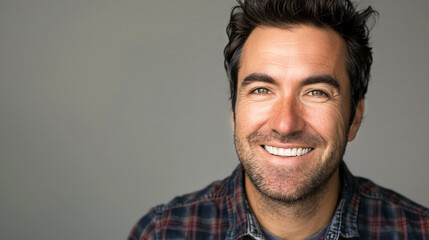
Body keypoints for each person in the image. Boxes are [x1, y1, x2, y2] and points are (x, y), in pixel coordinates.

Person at [128, 0, 429, 239]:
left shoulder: (417, 232)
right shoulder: (162, 233)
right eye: (262, 90)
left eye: (316, 92)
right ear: (234, 112)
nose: (286, 124)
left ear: (354, 118)